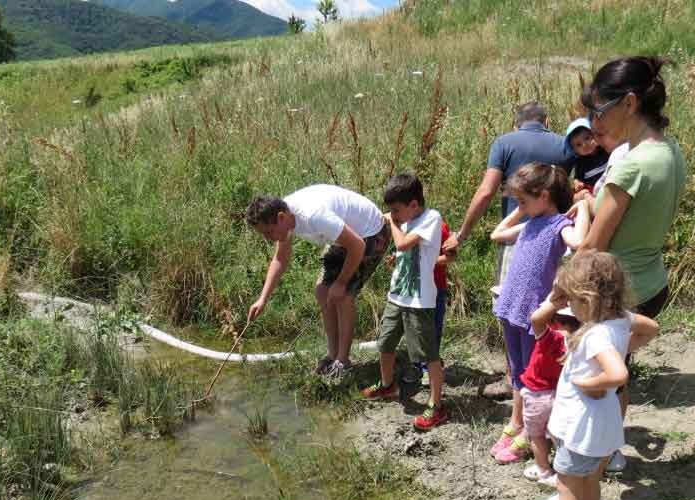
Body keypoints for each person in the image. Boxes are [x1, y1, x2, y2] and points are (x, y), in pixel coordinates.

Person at [576, 57, 687, 471]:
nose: (595, 121)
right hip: (652, 281)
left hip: (620, 290)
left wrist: (555, 293)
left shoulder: (632, 165)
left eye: (600, 110)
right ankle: (611, 451)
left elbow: (591, 246)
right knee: (616, 371)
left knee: (599, 384)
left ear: (630, 102)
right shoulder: (669, 150)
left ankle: (589, 470)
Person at [524, 252, 659, 500]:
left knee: (568, 485)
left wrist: (590, 383)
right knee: (590, 482)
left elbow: (617, 375)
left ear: (589, 298)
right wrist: (624, 347)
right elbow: (651, 327)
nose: (569, 307)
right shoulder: (620, 320)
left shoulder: (595, 335)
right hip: (601, 425)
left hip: (581, 427)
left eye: (573, 300)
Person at [443, 102, 575, 399]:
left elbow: (487, 190)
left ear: (516, 124)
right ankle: (544, 375)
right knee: (547, 312)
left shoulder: (504, 142)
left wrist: (462, 235)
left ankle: (517, 378)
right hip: (557, 246)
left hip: (522, 240)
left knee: (514, 306)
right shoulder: (564, 146)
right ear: (546, 121)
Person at [488, 163, 590, 463]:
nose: (520, 207)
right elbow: (498, 234)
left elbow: (581, 244)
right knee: (518, 370)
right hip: (511, 307)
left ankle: (531, 432)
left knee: (535, 376)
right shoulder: (531, 222)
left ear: (544, 196)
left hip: (535, 315)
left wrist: (582, 209)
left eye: (523, 201)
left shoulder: (560, 225)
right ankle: (516, 421)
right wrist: (522, 207)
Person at [245, 185, 388, 377]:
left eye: (269, 232)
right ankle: (332, 354)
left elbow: (357, 245)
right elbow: (280, 258)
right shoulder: (284, 219)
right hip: (345, 237)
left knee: (343, 295)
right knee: (322, 291)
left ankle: (343, 362)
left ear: (281, 217)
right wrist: (262, 299)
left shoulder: (313, 215)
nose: (269, 238)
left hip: (372, 233)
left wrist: (340, 282)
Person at [361, 174, 448, 431]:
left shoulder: (431, 218)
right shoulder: (408, 221)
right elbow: (407, 252)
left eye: (397, 210)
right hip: (397, 296)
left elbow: (403, 243)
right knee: (385, 341)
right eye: (391, 211)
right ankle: (388, 385)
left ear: (413, 204)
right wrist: (397, 260)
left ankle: (437, 405)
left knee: (428, 354)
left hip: (420, 301)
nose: (393, 215)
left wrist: (391, 222)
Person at [516, 301, 581, 486]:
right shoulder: (578, 341)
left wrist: (554, 299)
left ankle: (544, 471)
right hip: (559, 395)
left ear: (554, 322)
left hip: (536, 395)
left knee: (535, 435)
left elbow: (536, 319)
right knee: (557, 435)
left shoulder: (551, 337)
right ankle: (564, 470)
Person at [564, 117, 610, 196]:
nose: (584, 145)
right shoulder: (581, 163)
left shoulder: (606, 150)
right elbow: (578, 179)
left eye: (587, 138)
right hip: (597, 195)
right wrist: (578, 183)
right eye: (578, 145)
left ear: (595, 134)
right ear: (574, 150)